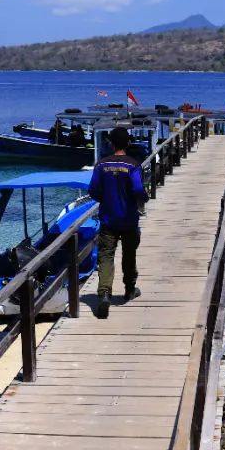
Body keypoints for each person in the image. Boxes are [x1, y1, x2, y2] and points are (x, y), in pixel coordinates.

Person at [87, 126, 148, 319]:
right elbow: (139, 189)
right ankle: (130, 289)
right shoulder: (132, 165)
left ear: (111, 143)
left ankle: (105, 293)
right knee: (129, 255)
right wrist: (142, 199)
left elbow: (93, 191)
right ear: (129, 143)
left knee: (105, 256)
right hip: (129, 219)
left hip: (108, 220)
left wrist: (105, 198)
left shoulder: (100, 165)